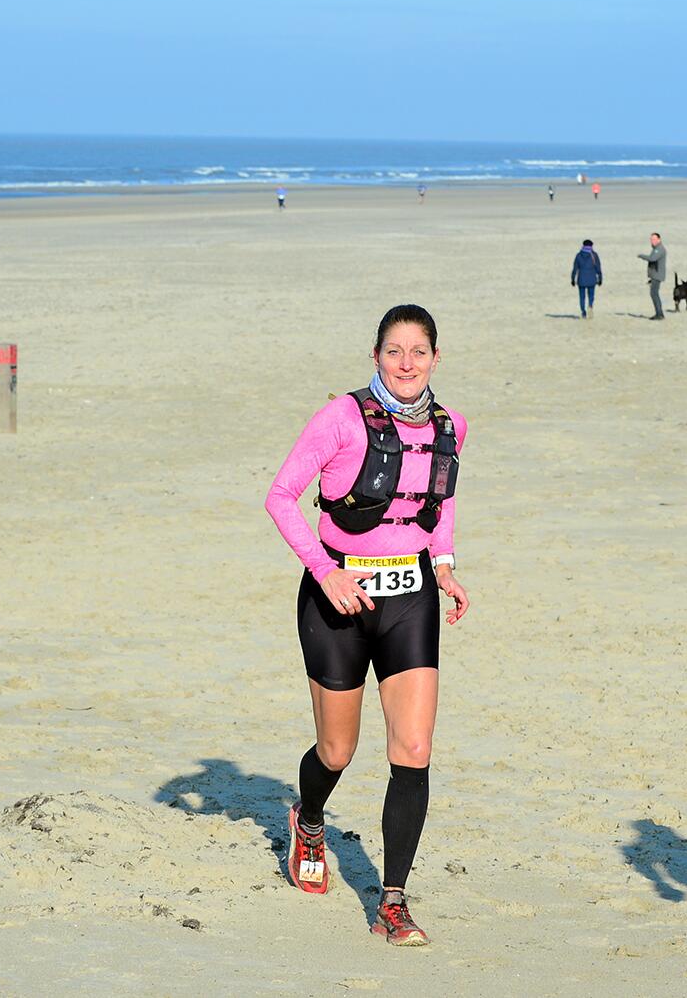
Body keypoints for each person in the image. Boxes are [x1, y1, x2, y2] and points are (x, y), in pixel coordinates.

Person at [264, 304, 470, 947]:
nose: (406, 363)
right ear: (375, 356)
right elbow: (280, 497)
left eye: (418, 351)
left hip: (411, 597)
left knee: (414, 749)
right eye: (394, 351)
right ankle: (309, 820)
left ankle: (392, 901)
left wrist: (444, 565)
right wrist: (326, 572)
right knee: (337, 751)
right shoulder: (340, 418)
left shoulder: (451, 425)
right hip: (338, 600)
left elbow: (440, 498)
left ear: (436, 358)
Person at [638, 232, 668, 320]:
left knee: (654, 294)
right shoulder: (656, 249)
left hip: (657, 275)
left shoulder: (660, 249)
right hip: (655, 274)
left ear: (659, 239)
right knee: (654, 294)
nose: (652, 241)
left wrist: (642, 256)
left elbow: (652, 258)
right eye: (651, 239)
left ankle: (659, 314)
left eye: (654, 239)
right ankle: (659, 313)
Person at [571, 239, 603, 317]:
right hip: (592, 279)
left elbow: (575, 268)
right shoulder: (594, 255)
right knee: (591, 295)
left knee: (582, 297)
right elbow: (598, 268)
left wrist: (573, 279)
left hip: (581, 279)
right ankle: (590, 306)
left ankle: (583, 312)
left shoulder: (578, 255)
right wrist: (600, 278)